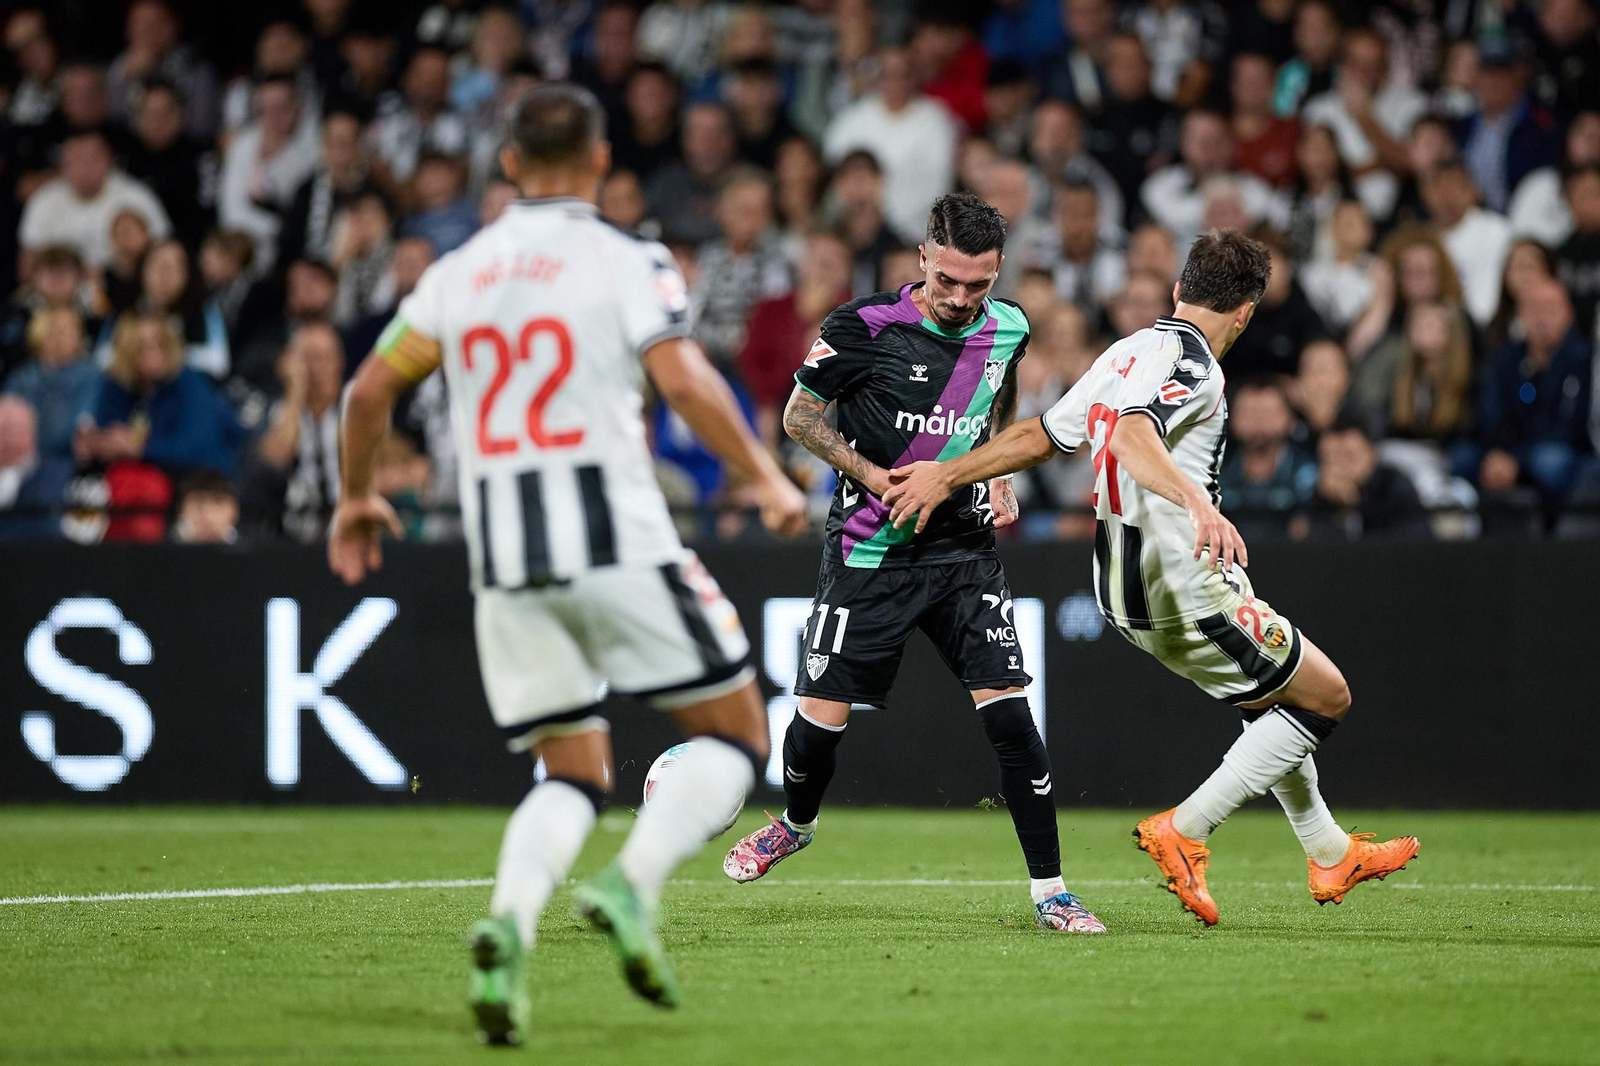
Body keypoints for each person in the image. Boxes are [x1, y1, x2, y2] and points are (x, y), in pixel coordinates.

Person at [329, 84, 806, 1044]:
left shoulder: (458, 272)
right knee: (738, 738)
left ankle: (508, 926)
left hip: (504, 560)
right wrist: (764, 474)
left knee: (570, 770)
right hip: (618, 539)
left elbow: (369, 388)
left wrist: (355, 494)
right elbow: (681, 376)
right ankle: (632, 885)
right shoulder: (626, 258)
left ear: (508, 164)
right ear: (598, 164)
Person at [884, 230, 1419, 926]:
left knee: (1273, 708)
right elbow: (1135, 435)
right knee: (1325, 698)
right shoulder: (1198, 369)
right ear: (1247, 313)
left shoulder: (1127, 350)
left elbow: (1043, 434)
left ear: (1177, 291)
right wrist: (1198, 501)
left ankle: (1328, 850)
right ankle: (1187, 829)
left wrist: (948, 472)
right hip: (1183, 585)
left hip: (1121, 587)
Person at [721, 192, 1108, 936]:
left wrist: (995, 474)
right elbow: (798, 418)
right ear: (923, 258)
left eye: (979, 285)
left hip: (963, 553)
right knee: (818, 725)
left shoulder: (1011, 327)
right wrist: (873, 477)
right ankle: (795, 825)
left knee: (1012, 718)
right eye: (948, 282)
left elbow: (1001, 398)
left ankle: (1052, 890)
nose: (962, 300)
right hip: (869, 549)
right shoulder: (860, 328)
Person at [17, 130, 170, 271]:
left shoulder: (137, 197)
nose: (84, 168)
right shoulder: (44, 200)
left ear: (109, 161)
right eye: (76, 160)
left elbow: (163, 252)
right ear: (63, 165)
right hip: (59, 294)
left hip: (124, 291)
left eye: (92, 159)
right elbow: (28, 264)